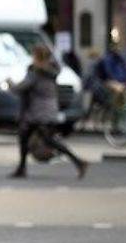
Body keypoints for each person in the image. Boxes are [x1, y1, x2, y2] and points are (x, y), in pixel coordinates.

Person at [10, 45, 87, 179]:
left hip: (38, 112)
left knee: (46, 140)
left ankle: (79, 162)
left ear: (37, 57)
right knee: (25, 136)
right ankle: (21, 168)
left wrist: (10, 84)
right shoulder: (51, 71)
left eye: (33, 55)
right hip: (49, 109)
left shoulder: (36, 72)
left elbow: (21, 87)